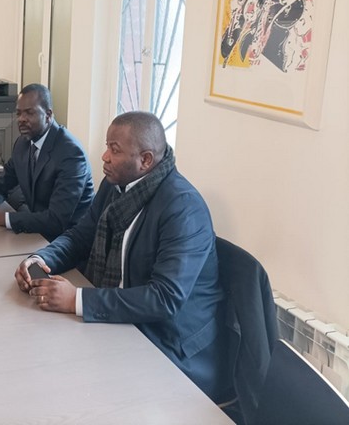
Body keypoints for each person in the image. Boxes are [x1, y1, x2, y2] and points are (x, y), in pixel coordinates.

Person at [14, 111, 231, 402]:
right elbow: (81, 236)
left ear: (146, 160)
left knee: (71, 393)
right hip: (124, 322)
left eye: (114, 150)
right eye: (107, 146)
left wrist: (76, 299)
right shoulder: (115, 185)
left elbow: (164, 298)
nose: (103, 156)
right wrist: (42, 259)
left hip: (169, 346)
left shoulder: (182, 208)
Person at [0, 83, 93, 241]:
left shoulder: (71, 154)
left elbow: (56, 220)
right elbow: (3, 183)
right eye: (18, 113)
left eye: (29, 113)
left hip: (68, 241)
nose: (21, 119)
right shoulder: (23, 144)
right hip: (37, 232)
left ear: (48, 115)